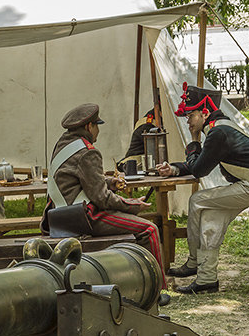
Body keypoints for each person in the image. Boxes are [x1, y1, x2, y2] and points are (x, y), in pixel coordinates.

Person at [155, 84, 249, 295]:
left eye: (191, 115)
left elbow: (199, 169)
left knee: (197, 200)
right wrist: (173, 169)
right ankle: (207, 280)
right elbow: (200, 163)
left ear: (205, 113)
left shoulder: (217, 132)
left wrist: (193, 141)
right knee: (211, 218)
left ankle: (192, 262)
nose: (188, 121)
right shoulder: (219, 127)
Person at [43, 103, 165, 286]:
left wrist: (109, 183)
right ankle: (158, 288)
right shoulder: (87, 152)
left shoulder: (63, 145)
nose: (98, 131)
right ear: (88, 127)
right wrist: (132, 205)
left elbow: (78, 181)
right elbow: (102, 198)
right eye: (97, 125)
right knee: (150, 230)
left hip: (59, 215)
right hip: (82, 217)